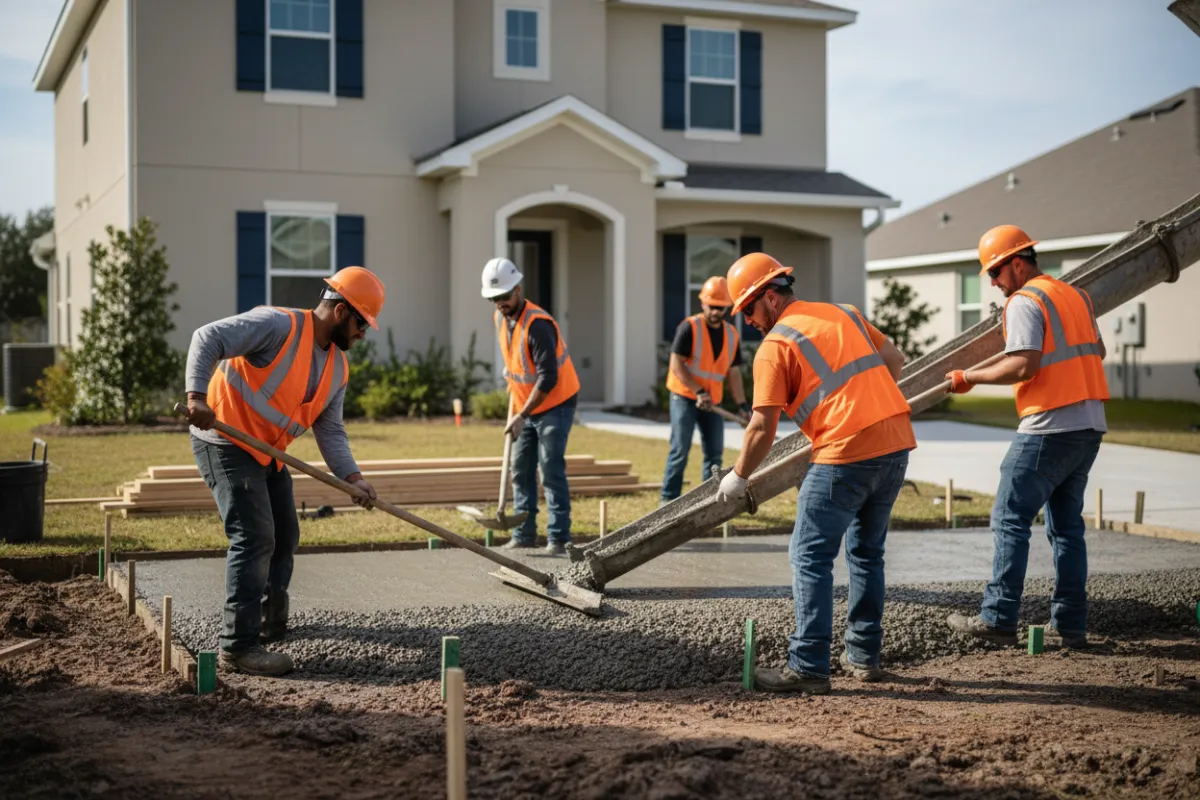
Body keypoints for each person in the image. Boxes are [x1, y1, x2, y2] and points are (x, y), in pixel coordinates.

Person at [715, 252, 915, 694]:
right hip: (895, 442)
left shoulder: (776, 346)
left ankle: (808, 666)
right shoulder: (846, 313)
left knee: (810, 556)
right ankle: (863, 656)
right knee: (867, 553)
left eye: (748, 309)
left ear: (770, 297)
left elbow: (762, 426)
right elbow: (895, 360)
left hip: (845, 452)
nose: (747, 320)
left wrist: (739, 476)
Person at [182, 266, 385, 677]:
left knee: (286, 534)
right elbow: (207, 337)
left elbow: (331, 430)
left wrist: (353, 479)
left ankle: (268, 622)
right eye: (362, 324)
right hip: (225, 440)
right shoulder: (278, 326)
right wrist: (196, 396)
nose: (363, 334)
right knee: (255, 536)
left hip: (268, 451)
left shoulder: (338, 369)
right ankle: (238, 646)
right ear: (341, 312)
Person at [945, 225, 1108, 649]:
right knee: (1067, 529)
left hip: (1048, 426)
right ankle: (1069, 625)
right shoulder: (1076, 296)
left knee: (1009, 519)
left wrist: (969, 377)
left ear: (1017, 263)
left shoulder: (1024, 300)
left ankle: (998, 617)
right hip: (1089, 424)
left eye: (995, 272)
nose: (993, 283)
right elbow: (1098, 351)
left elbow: (1024, 365)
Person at [481, 257, 580, 556]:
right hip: (524, 403)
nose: (500, 304)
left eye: (504, 296)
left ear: (518, 289)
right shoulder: (501, 319)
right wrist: (515, 398)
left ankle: (559, 538)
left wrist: (522, 415)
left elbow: (548, 378)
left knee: (550, 468)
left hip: (556, 402)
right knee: (520, 467)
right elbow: (517, 363)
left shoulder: (538, 326)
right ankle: (524, 534)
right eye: (494, 299)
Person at [661, 276, 751, 503]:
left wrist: (742, 405)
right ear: (702, 303)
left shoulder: (731, 335)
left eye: (720, 308)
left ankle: (708, 503)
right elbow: (676, 364)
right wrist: (698, 391)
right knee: (680, 451)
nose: (715, 312)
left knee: (714, 455)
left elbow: (734, 373)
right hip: (684, 397)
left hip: (713, 402)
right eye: (711, 306)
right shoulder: (689, 327)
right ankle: (668, 500)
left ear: (727, 308)